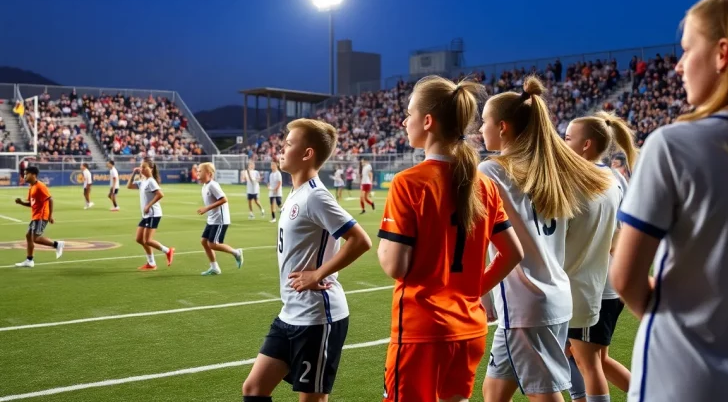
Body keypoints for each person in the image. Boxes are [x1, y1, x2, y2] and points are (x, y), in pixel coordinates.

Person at [611, 0, 728, 401]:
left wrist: (682, 330)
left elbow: (625, 277)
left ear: (722, 54)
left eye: (687, 49)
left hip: (679, 377)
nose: (678, 66)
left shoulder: (675, 145)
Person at [377, 75, 524, 402]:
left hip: (421, 328)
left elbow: (394, 265)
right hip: (469, 327)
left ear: (427, 121)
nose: (404, 121)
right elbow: (513, 252)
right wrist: (472, 290)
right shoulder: (483, 184)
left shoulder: (409, 182)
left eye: (410, 113)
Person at [479, 77, 612, 402]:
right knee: (493, 392)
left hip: (525, 304)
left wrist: (477, 290)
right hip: (551, 296)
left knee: (546, 395)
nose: (480, 128)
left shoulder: (492, 170)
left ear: (503, 127)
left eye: (484, 121)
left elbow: (480, 234)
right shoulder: (552, 170)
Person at [242, 118, 372, 402]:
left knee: (311, 400)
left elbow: (361, 241)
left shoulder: (316, 196)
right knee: (253, 389)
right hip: (290, 313)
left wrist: (317, 274)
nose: (281, 148)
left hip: (318, 317)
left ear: (307, 153)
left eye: (289, 143)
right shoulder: (296, 193)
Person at [563, 111, 637, 401]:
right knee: (597, 360)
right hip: (609, 285)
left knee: (588, 363)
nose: (562, 143)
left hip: (592, 288)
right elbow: (624, 231)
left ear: (586, 145)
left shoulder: (584, 180)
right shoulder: (614, 175)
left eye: (568, 138)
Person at [127, 159, 174, 271]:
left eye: (144, 167)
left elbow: (160, 194)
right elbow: (129, 186)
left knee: (147, 240)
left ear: (151, 169)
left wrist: (149, 205)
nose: (142, 169)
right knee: (139, 239)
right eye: (141, 167)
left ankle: (168, 251)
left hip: (153, 214)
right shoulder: (143, 180)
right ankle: (151, 263)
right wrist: (134, 173)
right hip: (146, 215)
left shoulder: (151, 181)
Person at [197, 162, 243, 275]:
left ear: (208, 173)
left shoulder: (213, 185)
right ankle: (214, 268)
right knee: (204, 242)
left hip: (220, 220)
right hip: (212, 219)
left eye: (200, 171)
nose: (198, 173)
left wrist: (206, 209)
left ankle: (236, 253)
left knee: (212, 244)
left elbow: (223, 199)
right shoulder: (205, 186)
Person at [13, 166, 65, 267]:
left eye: (26, 174)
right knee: (28, 236)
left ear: (33, 175)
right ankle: (29, 260)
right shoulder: (31, 187)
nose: (25, 176)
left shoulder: (40, 186)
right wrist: (21, 203)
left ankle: (57, 244)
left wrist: (50, 215)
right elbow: (32, 204)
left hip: (41, 216)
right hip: (35, 216)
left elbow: (50, 199)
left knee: (36, 238)